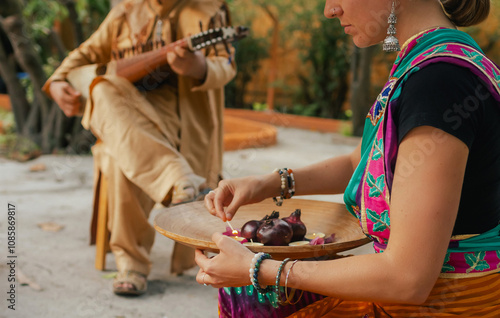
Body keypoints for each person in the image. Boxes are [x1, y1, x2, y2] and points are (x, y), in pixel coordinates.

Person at [194, 0, 500, 316]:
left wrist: (260, 268)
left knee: (252, 297)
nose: (330, 10)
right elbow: (362, 162)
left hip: (449, 306)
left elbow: (408, 278)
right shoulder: (435, 62)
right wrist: (269, 183)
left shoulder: (440, 83)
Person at [42, 0, 236, 296]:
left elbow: (226, 64)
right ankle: (177, 180)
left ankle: (131, 262)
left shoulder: (207, 9)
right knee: (103, 89)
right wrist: (56, 81)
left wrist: (198, 66)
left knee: (122, 149)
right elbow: (82, 57)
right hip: (125, 112)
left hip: (180, 120)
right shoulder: (126, 10)